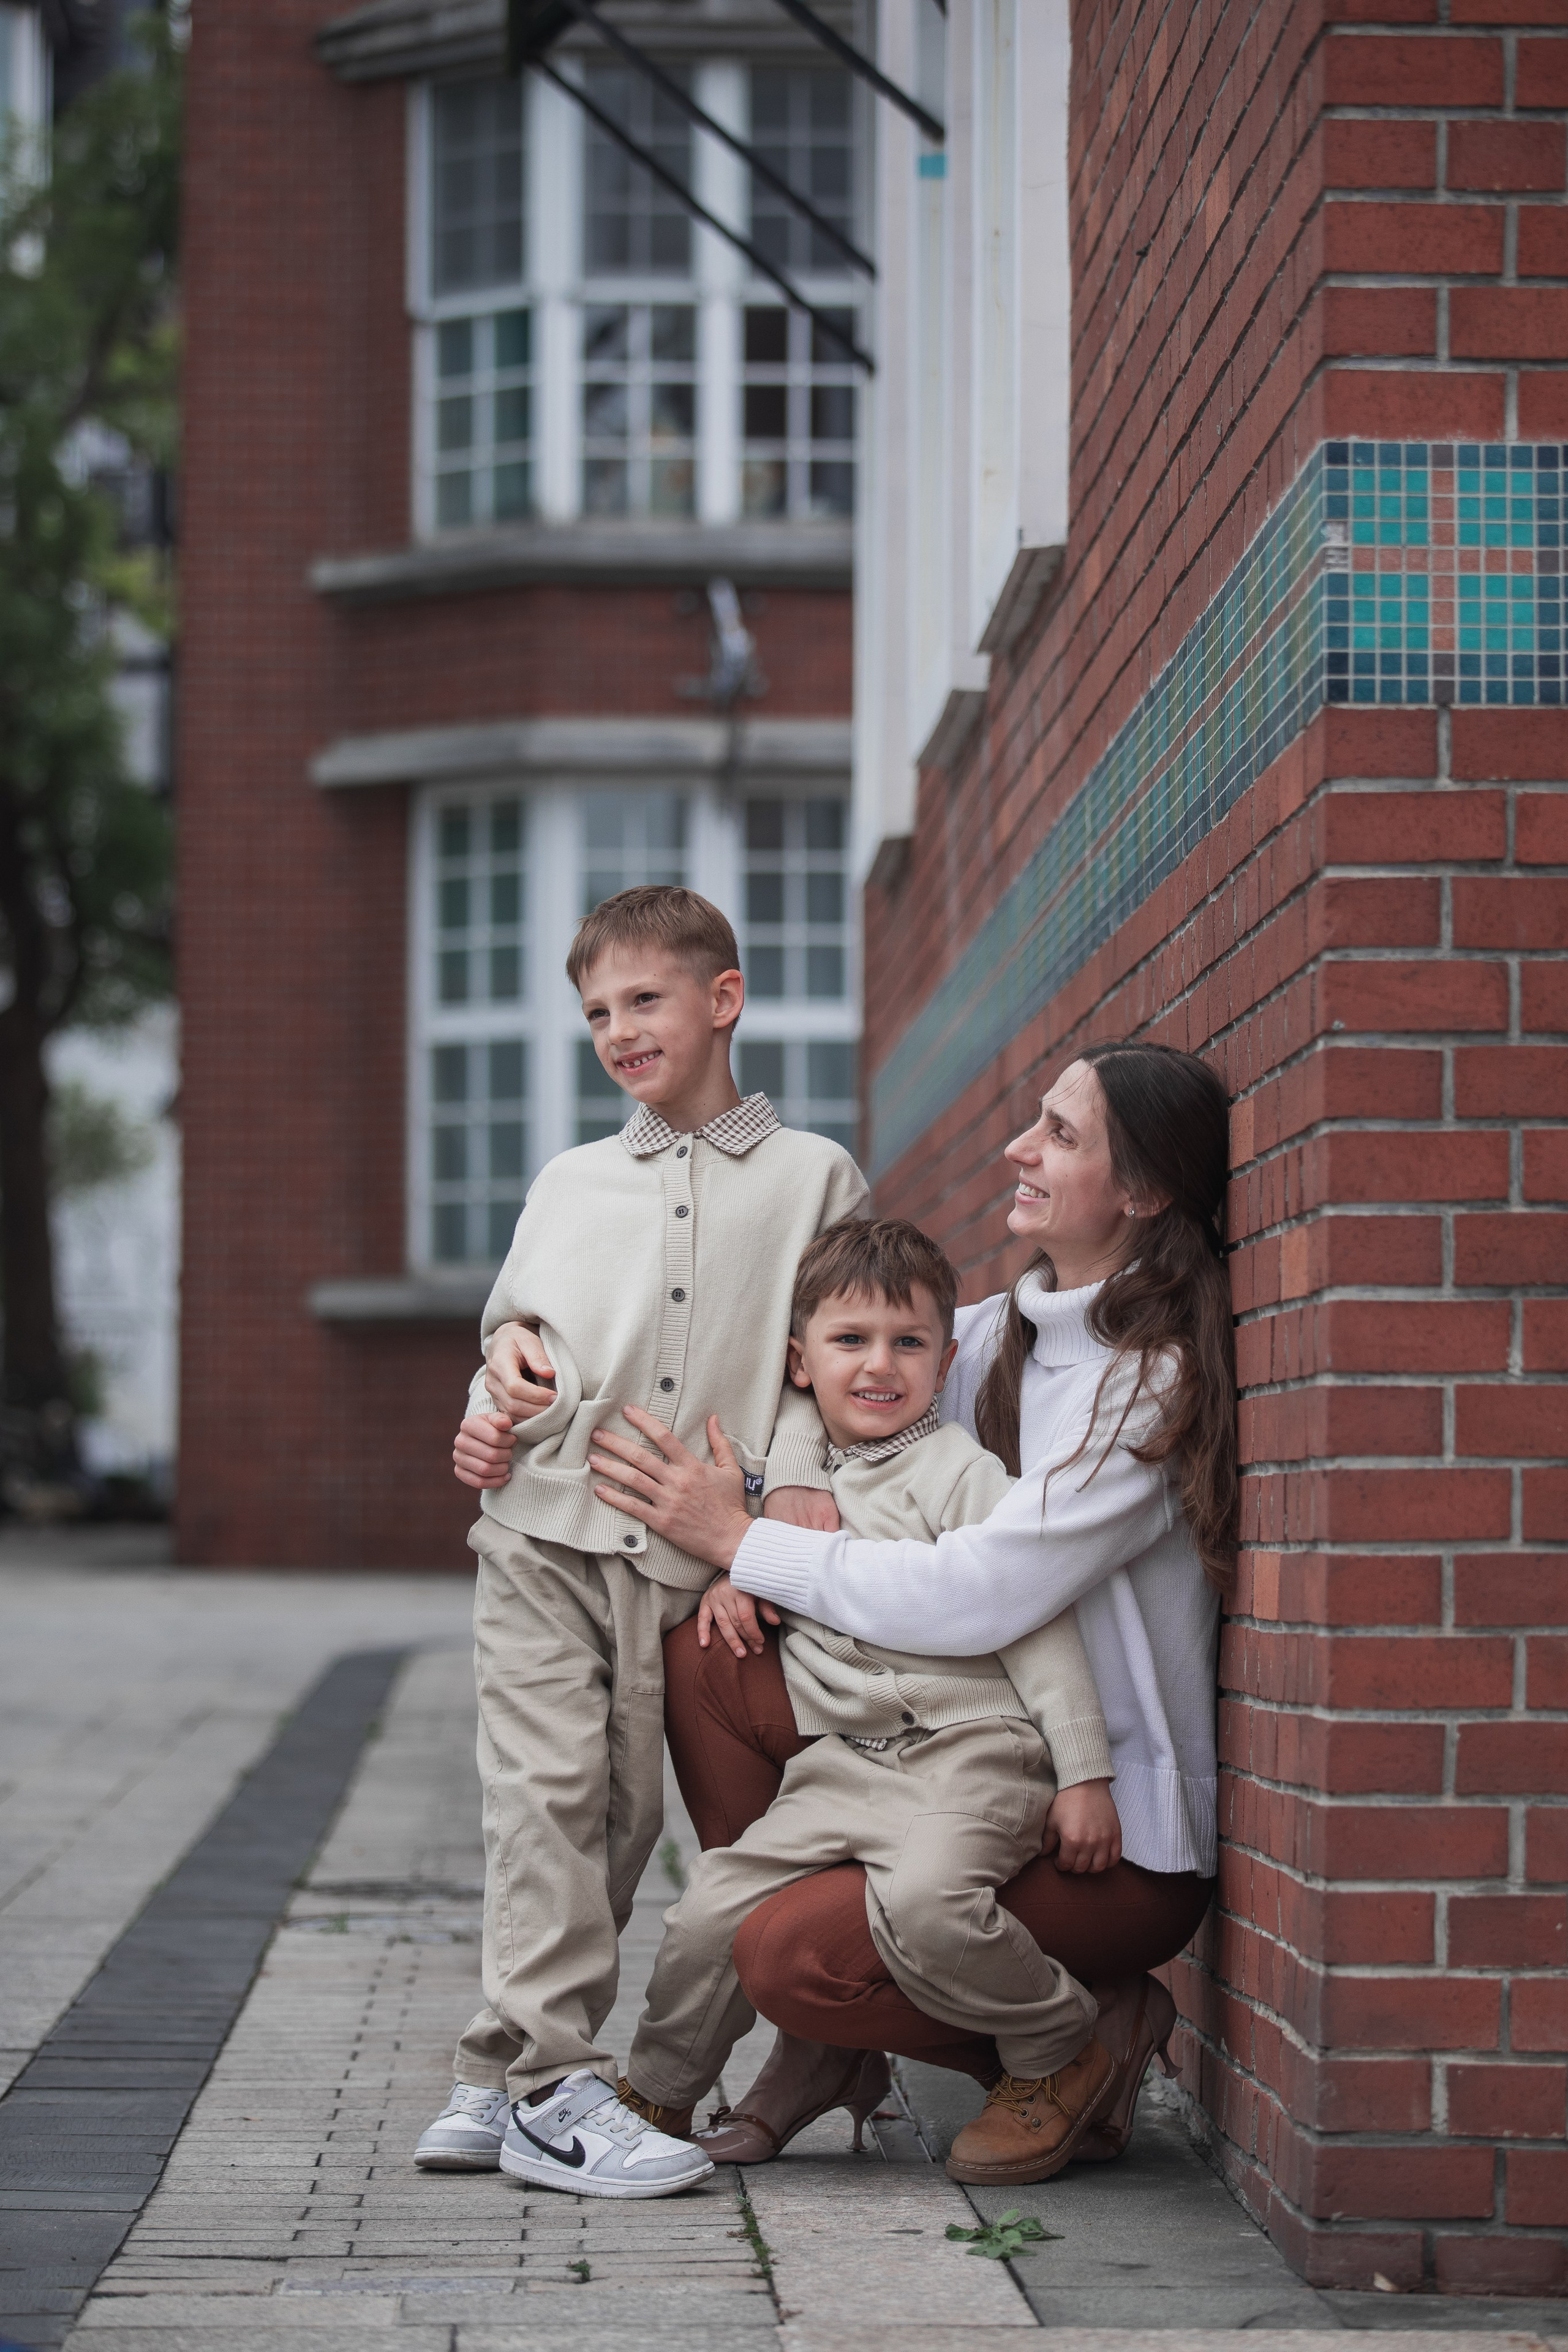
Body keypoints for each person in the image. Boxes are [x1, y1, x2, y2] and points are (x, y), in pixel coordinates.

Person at [587, 1040, 1234, 2187]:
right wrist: (790, 1494)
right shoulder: (982, 1335)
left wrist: (748, 1543)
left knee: (791, 1959)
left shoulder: (1149, 1383)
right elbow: (823, 1376)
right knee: (711, 1651)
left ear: (1140, 1193)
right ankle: (773, 2057)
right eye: (1033, 1120)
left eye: (1061, 1136)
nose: (1019, 1148)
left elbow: (990, 1594)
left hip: (1102, 1824)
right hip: (892, 1749)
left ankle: (1074, 2043)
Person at [413, 885, 867, 2201]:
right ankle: (552, 2089)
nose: (617, 1029)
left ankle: (495, 2071)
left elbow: (823, 1356)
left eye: (643, 1000)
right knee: (544, 1798)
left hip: (680, 1561)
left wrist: (788, 1490)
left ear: (723, 1000)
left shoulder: (815, 1177)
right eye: (596, 1012)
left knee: (620, 1819)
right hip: (540, 1535)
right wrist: (488, 1409)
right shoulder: (568, 1183)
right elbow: (516, 1345)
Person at [613, 1217, 1123, 2180]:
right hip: (842, 1763)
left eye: (908, 1342)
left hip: (972, 1749)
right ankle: (655, 2096)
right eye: (851, 1340)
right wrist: (734, 1575)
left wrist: (1084, 1773)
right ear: (801, 1363)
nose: (880, 1364)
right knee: (709, 1908)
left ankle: (1061, 2045)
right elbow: (759, 1533)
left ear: (946, 1360)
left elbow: (1039, 1623)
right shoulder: (786, 1483)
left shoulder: (963, 1474)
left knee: (925, 1905)